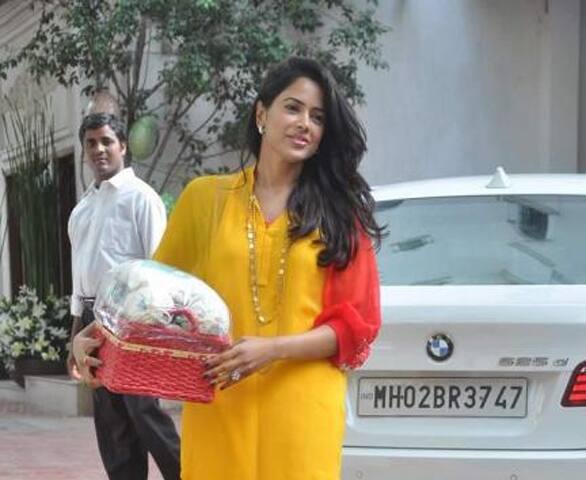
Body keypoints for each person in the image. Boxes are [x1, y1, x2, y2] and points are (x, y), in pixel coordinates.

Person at [74, 57, 383, 479]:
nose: (304, 124)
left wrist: (271, 350)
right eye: (292, 108)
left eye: (317, 117)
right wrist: (91, 338)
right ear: (262, 113)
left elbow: (356, 326)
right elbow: (147, 302)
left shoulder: (339, 214)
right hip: (219, 399)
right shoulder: (206, 199)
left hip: (302, 407)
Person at [67, 112, 180, 480]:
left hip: (132, 321)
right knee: (112, 423)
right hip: (91, 322)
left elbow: (158, 267)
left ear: (123, 146)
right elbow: (79, 276)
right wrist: (75, 332)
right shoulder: (82, 209)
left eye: (106, 141)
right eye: (91, 143)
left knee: (144, 412)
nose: (99, 149)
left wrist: (154, 330)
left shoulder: (142, 199)